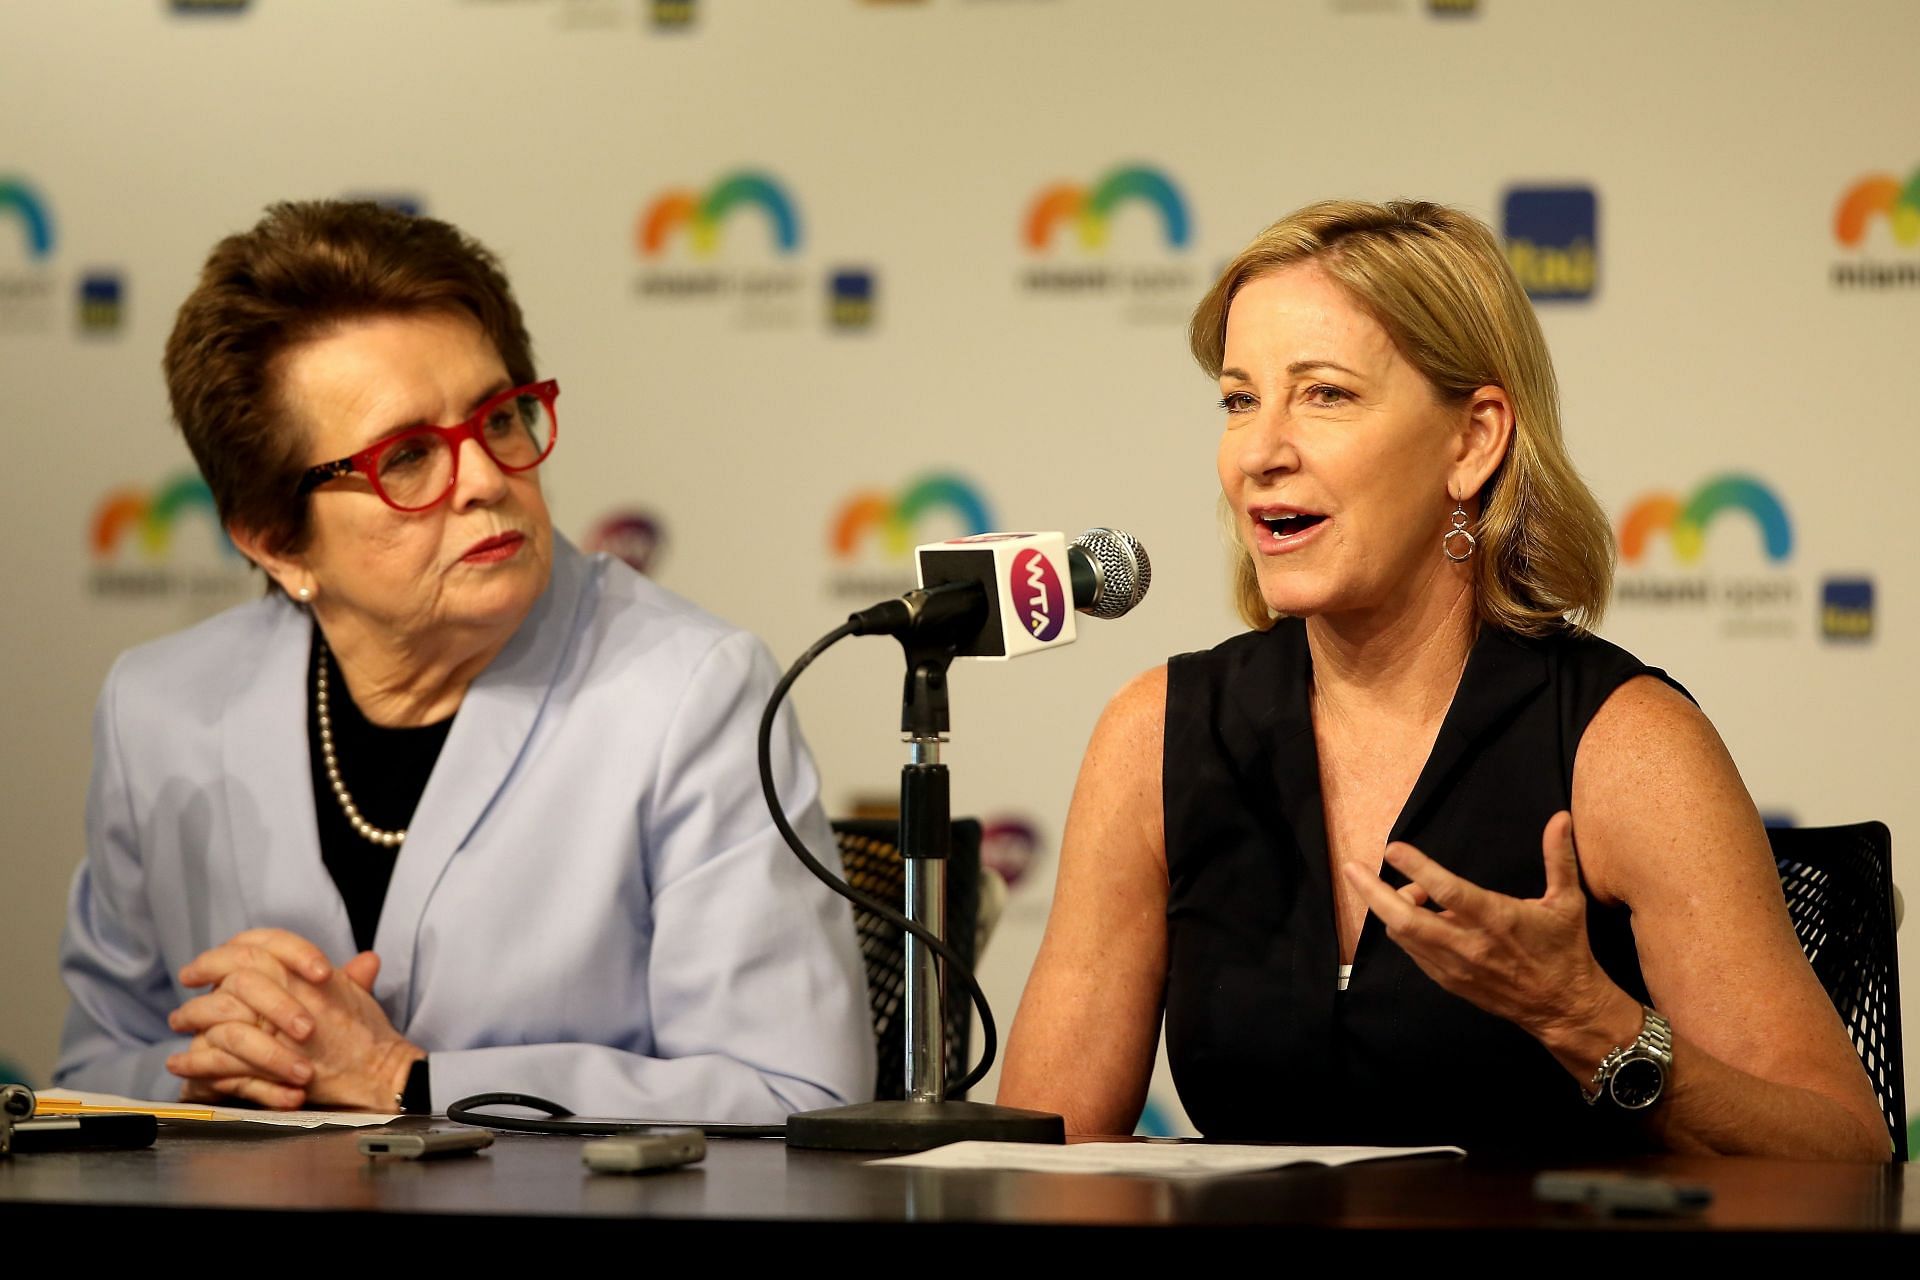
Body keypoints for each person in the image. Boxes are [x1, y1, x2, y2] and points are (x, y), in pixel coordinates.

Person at [999, 199, 1888, 1160]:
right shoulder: (1161, 734)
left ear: (1472, 442)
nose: (1260, 452)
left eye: (1325, 394)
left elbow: (1844, 1157)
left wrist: (1592, 1023)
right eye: (1239, 400)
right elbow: (1043, 1153)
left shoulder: (1622, 744)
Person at [54, 201, 875, 1121]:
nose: (486, 477)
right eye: (406, 456)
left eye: (500, 417)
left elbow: (796, 1091)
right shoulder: (158, 709)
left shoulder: (689, 691)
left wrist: (404, 1081)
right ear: (275, 541)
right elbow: (93, 1062)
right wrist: (224, 1070)